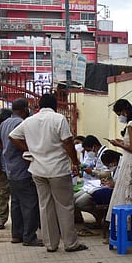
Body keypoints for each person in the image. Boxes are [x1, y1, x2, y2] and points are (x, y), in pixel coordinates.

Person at [8, 93, 88, 253]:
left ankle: (51, 244)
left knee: (45, 206)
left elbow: (13, 136)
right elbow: (67, 141)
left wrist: (30, 150)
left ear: (39, 106)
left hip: (37, 169)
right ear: (55, 105)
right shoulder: (58, 119)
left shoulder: (29, 121)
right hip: (58, 169)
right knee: (65, 206)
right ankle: (70, 243)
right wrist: (75, 161)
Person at [0, 99, 43, 246]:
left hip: (10, 170)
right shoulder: (22, 123)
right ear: (24, 109)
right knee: (30, 204)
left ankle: (17, 235)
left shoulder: (6, 122)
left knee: (16, 204)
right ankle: (29, 237)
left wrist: (7, 150)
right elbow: (18, 141)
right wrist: (22, 149)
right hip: (22, 169)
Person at [105, 99, 132, 229]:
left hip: (130, 162)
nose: (120, 117)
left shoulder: (131, 125)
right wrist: (122, 142)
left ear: (123, 111)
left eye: (119, 114)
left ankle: (124, 226)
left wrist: (118, 144)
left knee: (125, 193)